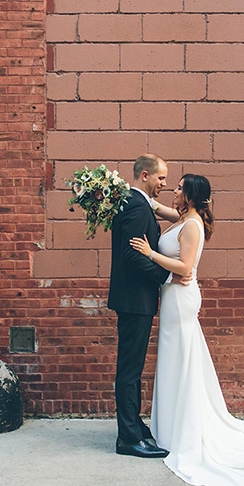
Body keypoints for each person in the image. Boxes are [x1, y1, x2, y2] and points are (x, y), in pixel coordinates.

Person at [130, 174, 244, 486]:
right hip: (172, 297)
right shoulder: (183, 217)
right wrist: (122, 190)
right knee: (175, 360)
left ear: (190, 195)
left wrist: (149, 254)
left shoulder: (193, 225)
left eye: (180, 187)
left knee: (181, 359)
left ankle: (183, 431)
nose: (174, 189)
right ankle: (171, 428)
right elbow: (154, 205)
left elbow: (186, 268)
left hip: (182, 298)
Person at [108, 154, 176, 459]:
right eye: (161, 178)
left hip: (135, 299)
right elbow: (131, 255)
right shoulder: (135, 205)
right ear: (145, 175)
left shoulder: (137, 202)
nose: (164, 184)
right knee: (130, 370)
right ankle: (129, 438)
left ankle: (134, 427)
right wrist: (165, 274)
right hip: (135, 300)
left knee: (132, 369)